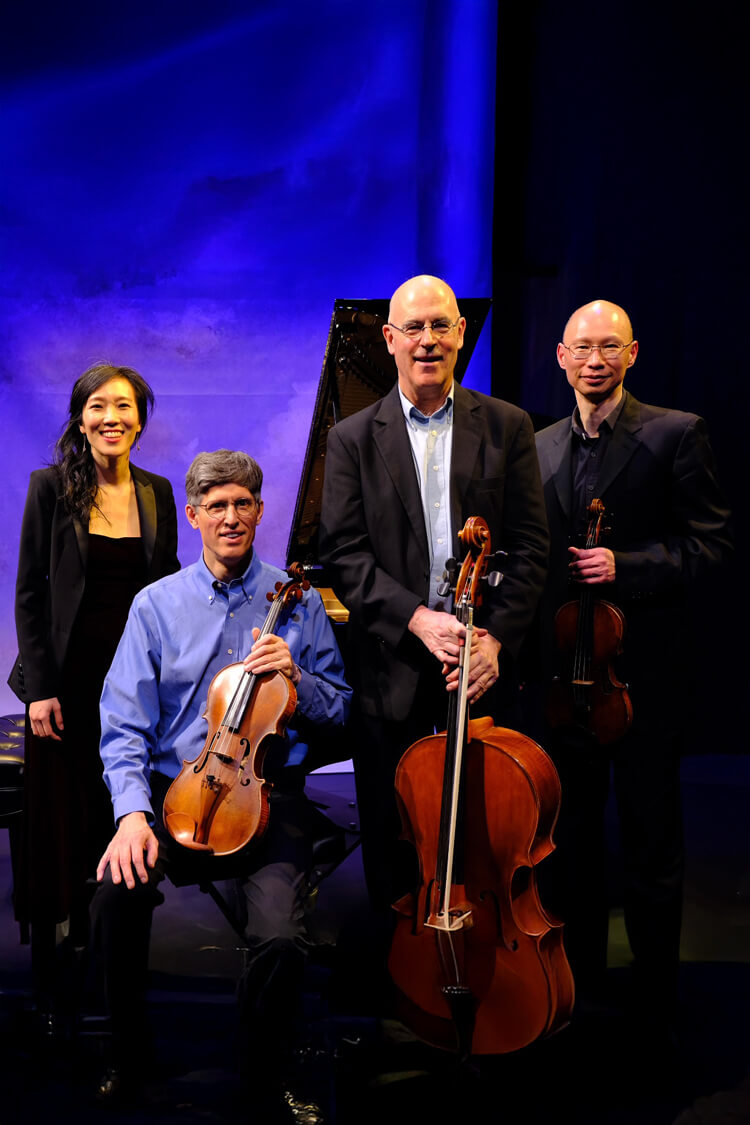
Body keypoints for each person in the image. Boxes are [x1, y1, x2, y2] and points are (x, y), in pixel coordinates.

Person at [90, 449, 351, 1121]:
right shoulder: (157, 605)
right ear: (194, 514)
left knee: (280, 938)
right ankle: (129, 1056)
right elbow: (122, 720)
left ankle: (262, 1072)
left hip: (267, 796)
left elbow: (340, 707)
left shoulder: (297, 602)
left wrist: (297, 675)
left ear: (260, 512)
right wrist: (129, 815)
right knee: (112, 899)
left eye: (243, 504)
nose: (231, 517)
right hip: (177, 789)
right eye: (217, 506)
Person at [318, 274, 549, 918]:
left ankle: (481, 982)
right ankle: (405, 987)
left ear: (461, 334)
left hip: (481, 672)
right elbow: (344, 553)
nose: (427, 340)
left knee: (484, 835)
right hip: (392, 669)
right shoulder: (353, 437)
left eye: (440, 326)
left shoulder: (508, 426)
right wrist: (416, 618)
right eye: (413, 328)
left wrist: (496, 638)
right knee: (396, 841)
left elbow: (532, 547)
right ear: (389, 339)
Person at [531, 299, 732, 1032]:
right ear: (560, 355)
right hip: (565, 683)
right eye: (581, 347)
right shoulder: (540, 442)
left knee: (651, 843)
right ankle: (575, 990)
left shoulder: (675, 434)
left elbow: (712, 546)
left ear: (632, 353)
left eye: (608, 347)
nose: (594, 359)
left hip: (642, 681)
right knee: (572, 843)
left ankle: (654, 1001)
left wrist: (628, 563)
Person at [8, 362, 179, 1029]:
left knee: (120, 806)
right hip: (67, 684)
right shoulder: (49, 488)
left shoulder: (159, 492)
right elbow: (29, 592)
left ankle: (114, 947)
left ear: (141, 417)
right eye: (99, 406)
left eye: (126, 407)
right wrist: (41, 689)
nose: (113, 418)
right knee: (68, 820)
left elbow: (165, 594)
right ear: (81, 418)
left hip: (132, 683)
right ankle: (63, 960)